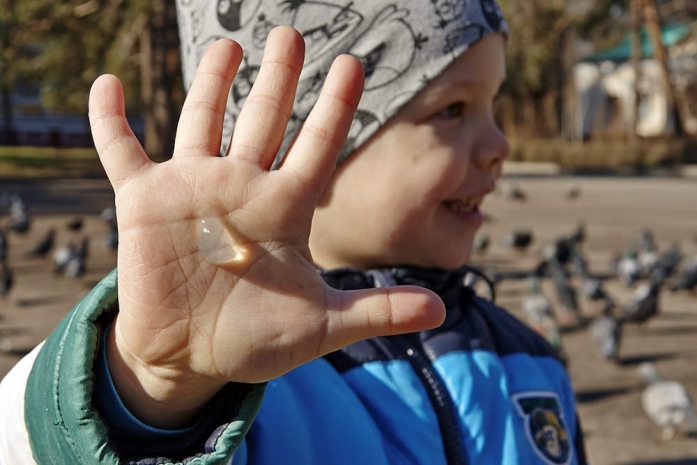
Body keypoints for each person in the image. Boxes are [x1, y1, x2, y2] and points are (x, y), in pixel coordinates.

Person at [0, 1, 588, 463]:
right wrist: (158, 383)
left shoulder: (531, 360)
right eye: (452, 110)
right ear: (304, 146)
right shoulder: (237, 381)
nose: (500, 144)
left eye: (493, 104)